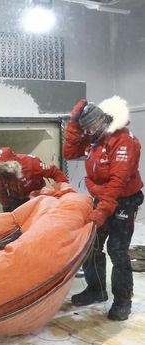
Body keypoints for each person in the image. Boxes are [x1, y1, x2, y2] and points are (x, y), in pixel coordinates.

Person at [63, 96, 144, 321]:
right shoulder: (94, 138)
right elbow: (69, 153)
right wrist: (73, 123)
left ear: (102, 121)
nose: (88, 133)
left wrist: (102, 210)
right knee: (92, 246)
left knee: (117, 251)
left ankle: (122, 299)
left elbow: (118, 182)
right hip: (103, 197)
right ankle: (97, 290)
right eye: (85, 129)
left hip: (124, 200)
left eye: (90, 127)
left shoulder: (123, 140)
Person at [0, 147, 69, 212]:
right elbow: (0, 191)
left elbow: (54, 172)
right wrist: (6, 207)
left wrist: (64, 191)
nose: (2, 173)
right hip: (16, 199)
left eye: (4, 169)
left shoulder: (31, 163)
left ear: (12, 165)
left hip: (38, 196)